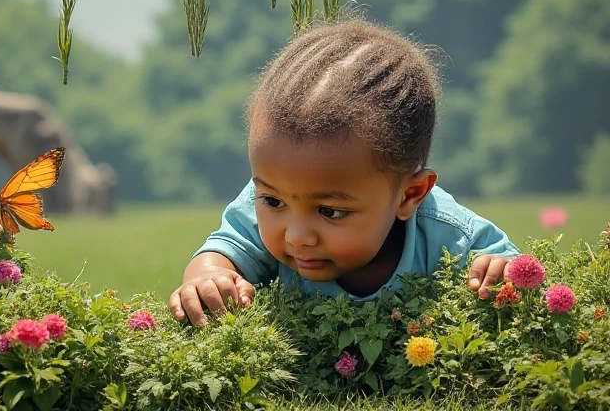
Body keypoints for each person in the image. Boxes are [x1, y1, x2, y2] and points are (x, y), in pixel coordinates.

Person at [169, 17, 519, 327]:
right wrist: (209, 277)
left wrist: (498, 273)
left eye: (330, 211)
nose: (297, 235)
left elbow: (510, 267)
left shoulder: (445, 233)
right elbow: (222, 252)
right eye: (273, 201)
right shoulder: (267, 202)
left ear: (410, 194)